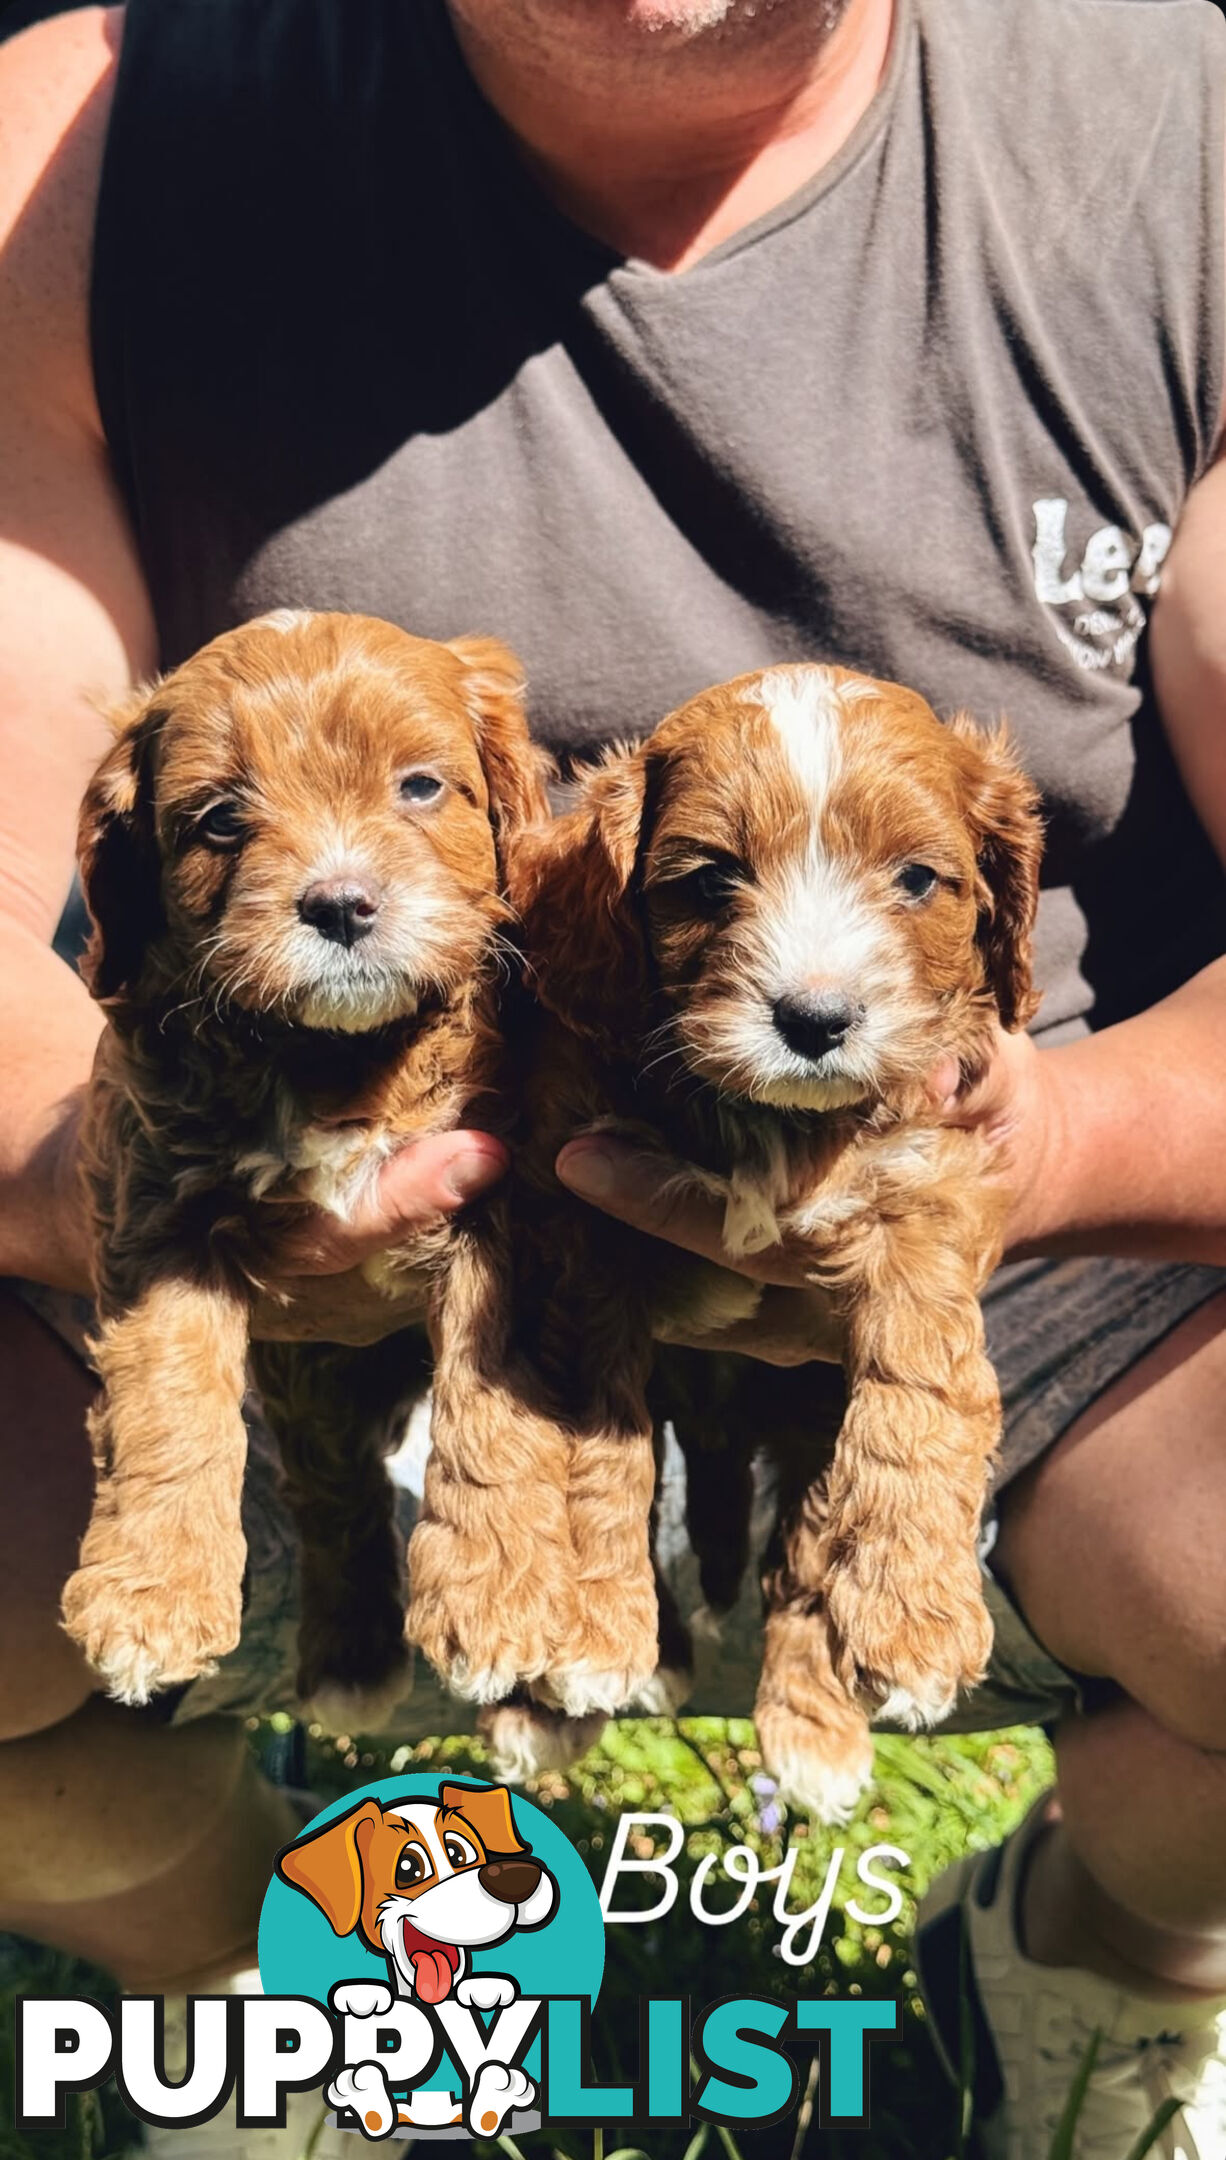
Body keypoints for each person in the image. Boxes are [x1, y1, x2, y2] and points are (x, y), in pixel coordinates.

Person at [2, 0, 1226, 2149]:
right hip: (296, 1188)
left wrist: (1036, 1149)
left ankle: (1098, 1959)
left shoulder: (1179, 125)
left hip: (1001, 1226)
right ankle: (242, 1995)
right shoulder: (86, 138)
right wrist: (126, 1175)